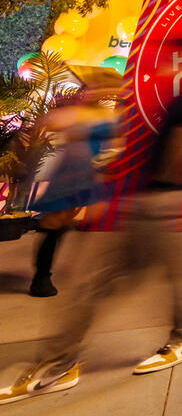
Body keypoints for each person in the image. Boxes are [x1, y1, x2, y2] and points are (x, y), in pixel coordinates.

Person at [3, 54, 182, 405]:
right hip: (140, 200)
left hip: (159, 203)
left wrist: (172, 195)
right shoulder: (139, 102)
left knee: (103, 283)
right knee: (109, 280)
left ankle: (59, 364)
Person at [25, 83, 119, 298]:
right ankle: (41, 277)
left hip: (87, 175)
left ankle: (45, 275)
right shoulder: (75, 114)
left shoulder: (101, 115)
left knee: (64, 227)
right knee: (55, 227)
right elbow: (46, 123)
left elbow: (114, 136)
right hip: (69, 176)